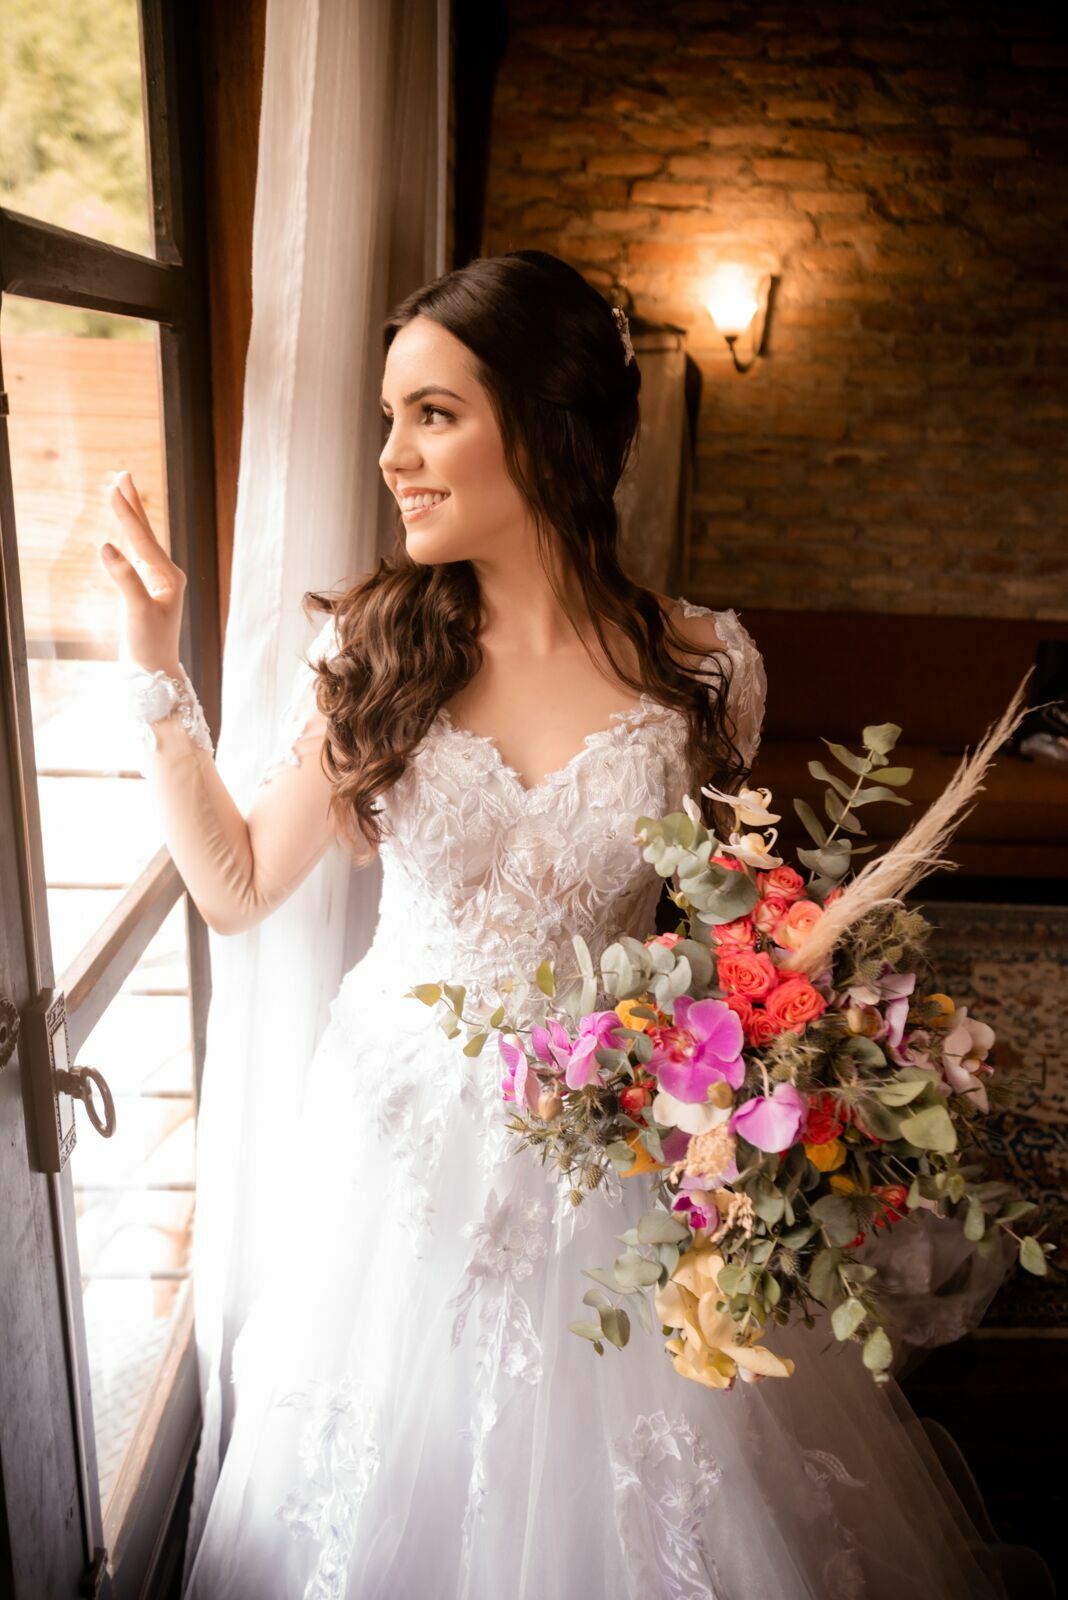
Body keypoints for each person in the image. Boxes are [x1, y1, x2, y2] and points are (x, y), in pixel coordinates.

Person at [101, 250, 1012, 1599]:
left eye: (432, 414)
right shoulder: (376, 652)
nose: (392, 457)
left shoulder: (706, 668)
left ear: (544, 425)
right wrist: (155, 671)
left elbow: (725, 927)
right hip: (397, 1159)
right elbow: (235, 889)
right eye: (388, 418)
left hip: (616, 1155)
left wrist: (787, 1055)